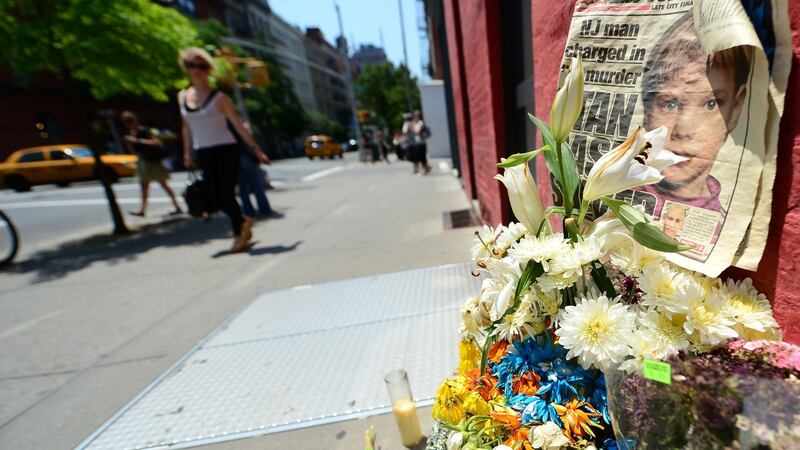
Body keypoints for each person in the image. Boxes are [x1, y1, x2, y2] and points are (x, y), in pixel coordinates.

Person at [639, 13, 752, 218]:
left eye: (711, 104)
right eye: (669, 103)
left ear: (735, 110)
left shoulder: (727, 226)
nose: (683, 130)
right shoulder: (617, 192)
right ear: (647, 110)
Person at [178, 47, 270, 253]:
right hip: (203, 151)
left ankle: (239, 236)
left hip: (226, 149)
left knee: (226, 194)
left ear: (208, 69)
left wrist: (256, 150)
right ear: (186, 69)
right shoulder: (182, 97)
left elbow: (238, 126)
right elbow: (187, 128)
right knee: (216, 197)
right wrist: (187, 153)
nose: (196, 70)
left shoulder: (220, 98)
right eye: (191, 65)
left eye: (201, 65)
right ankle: (242, 221)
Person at [121, 111, 182, 217]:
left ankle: (176, 205)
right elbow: (133, 152)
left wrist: (138, 141)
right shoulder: (131, 134)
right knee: (144, 186)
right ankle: (142, 210)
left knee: (163, 184)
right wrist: (129, 143)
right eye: (127, 123)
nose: (130, 124)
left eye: (131, 122)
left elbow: (157, 142)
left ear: (135, 120)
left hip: (153, 161)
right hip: (143, 161)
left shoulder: (144, 131)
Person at [412, 110, 432, 175]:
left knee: (421, 157)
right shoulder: (419, 122)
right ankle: (426, 169)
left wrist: (413, 126)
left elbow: (417, 131)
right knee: (422, 157)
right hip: (420, 142)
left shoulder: (420, 123)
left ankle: (424, 170)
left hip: (421, 143)